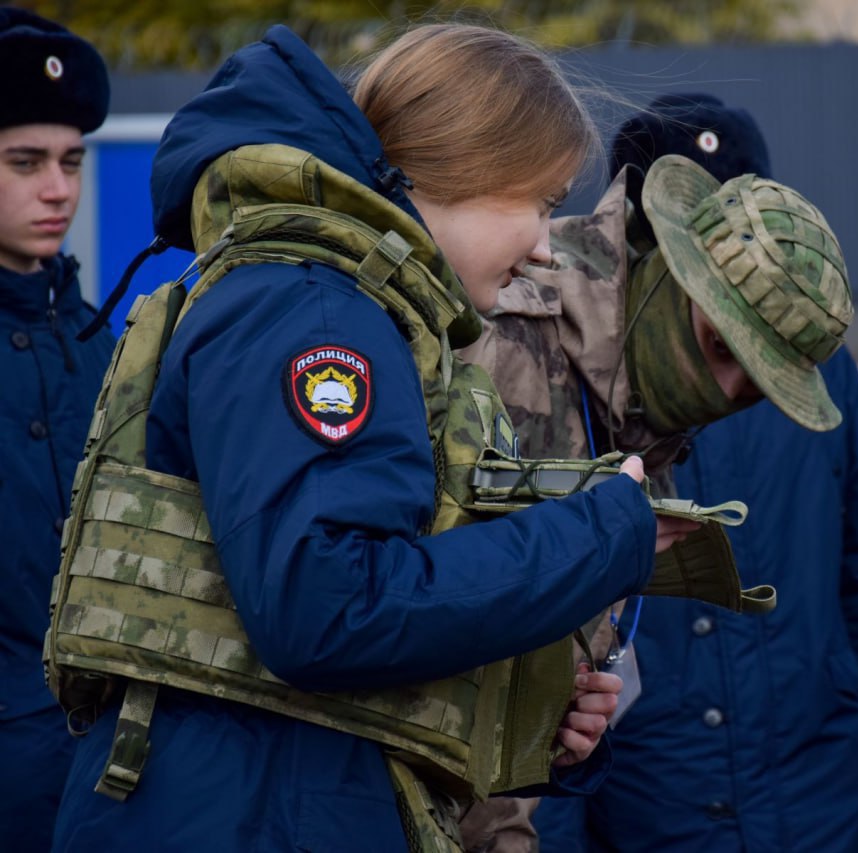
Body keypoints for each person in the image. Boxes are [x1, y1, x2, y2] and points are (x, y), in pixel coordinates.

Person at [45, 22, 702, 851]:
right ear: (466, 168)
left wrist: (538, 714)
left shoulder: (361, 311)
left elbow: (361, 631)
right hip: (249, 815)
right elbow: (329, 608)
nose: (545, 247)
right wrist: (599, 533)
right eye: (537, 203)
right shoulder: (321, 312)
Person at [468, 94, 858, 851]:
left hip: (821, 795)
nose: (728, 386)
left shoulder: (822, 376)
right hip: (657, 798)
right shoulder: (529, 355)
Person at [0, 8, 113, 851]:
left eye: (72, 161)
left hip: (97, 760)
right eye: (24, 162)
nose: (58, 189)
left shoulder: (98, 338)